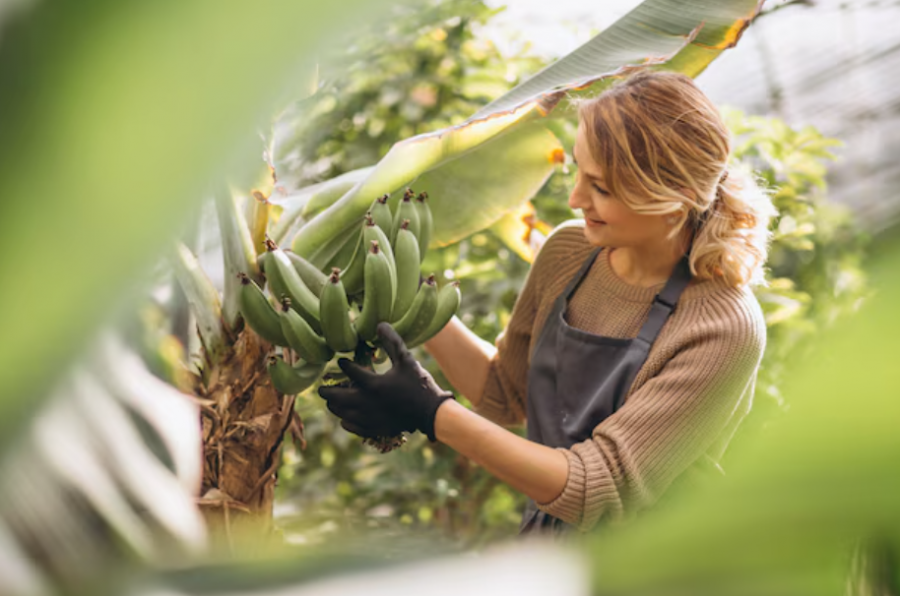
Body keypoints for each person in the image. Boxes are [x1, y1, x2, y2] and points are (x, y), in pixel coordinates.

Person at [318, 70, 777, 537]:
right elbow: (505, 392)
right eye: (579, 170)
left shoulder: (723, 326)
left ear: (671, 205)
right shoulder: (570, 254)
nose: (577, 198)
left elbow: (596, 487)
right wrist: (404, 296)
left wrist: (432, 412)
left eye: (601, 188)